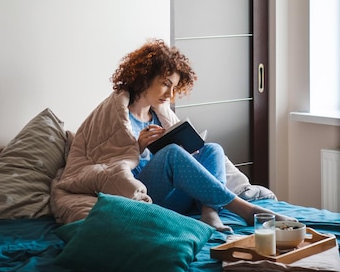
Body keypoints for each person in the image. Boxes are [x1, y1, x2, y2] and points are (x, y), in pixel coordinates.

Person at [50, 38, 292, 231]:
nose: (170, 93)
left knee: (212, 149)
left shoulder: (160, 114)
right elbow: (106, 163)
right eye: (165, 83)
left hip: (175, 197)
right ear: (144, 77)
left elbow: (190, 159)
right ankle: (246, 210)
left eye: (174, 87)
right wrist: (137, 147)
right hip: (145, 196)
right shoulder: (113, 114)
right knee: (172, 154)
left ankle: (209, 211)